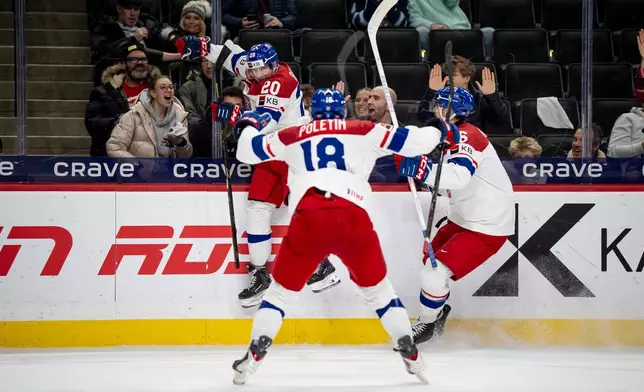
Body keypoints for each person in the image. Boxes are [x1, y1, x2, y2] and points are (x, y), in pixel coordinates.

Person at [228, 88, 461, 385]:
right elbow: (415, 142)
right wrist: (440, 128)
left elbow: (246, 150)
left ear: (313, 112)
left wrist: (248, 122)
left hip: (309, 216)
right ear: (343, 110)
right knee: (380, 293)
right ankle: (410, 351)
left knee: (279, 295)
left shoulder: (293, 134)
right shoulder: (364, 129)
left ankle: (254, 354)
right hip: (353, 216)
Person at [206, 41, 341, 307]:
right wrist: (201, 45)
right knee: (262, 207)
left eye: (260, 70)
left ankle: (318, 264)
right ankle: (263, 273)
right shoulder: (258, 68)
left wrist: (237, 116)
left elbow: (266, 116)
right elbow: (229, 56)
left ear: (273, 65)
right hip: (274, 149)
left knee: (291, 208)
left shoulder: (281, 81)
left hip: (290, 146)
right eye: (252, 69)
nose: (255, 74)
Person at [398, 86, 514, 344]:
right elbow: (446, 176)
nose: (436, 109)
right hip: (463, 217)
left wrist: (422, 170)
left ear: (452, 110)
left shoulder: (468, 136)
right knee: (429, 263)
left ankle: (426, 324)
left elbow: (458, 177)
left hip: (486, 225)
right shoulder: (452, 135)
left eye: (440, 105)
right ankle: (437, 312)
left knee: (434, 275)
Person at [85, 43, 162, 156]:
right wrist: (121, 121)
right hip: (114, 158)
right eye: (133, 60)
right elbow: (92, 122)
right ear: (124, 64)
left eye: (143, 59)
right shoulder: (104, 92)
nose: (139, 63)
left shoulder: (161, 90)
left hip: (153, 157)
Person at [107, 75, 193, 158]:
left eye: (171, 87)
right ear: (153, 93)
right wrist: (134, 164)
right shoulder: (134, 115)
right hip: (141, 171)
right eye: (163, 87)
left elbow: (185, 156)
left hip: (168, 171)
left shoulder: (180, 116)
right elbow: (114, 147)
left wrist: (181, 143)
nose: (169, 90)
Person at [419, 56, 510, 133]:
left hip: (472, 144)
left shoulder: (479, 99)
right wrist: (432, 92)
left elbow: (500, 120)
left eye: (452, 75)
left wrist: (492, 96)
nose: (447, 78)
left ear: (466, 78)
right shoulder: (438, 96)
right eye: (446, 75)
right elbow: (422, 118)